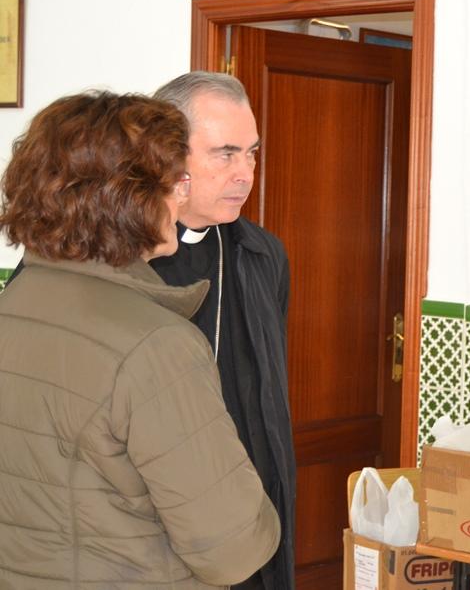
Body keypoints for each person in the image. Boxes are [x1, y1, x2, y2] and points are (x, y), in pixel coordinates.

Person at [0, 92, 280, 587]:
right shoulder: (157, 346)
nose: (180, 194)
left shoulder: (13, 306)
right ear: (125, 199)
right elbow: (231, 549)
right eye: (172, 181)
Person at [149, 71, 296, 590]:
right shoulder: (111, 259)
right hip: (155, 534)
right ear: (165, 155)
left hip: (251, 521)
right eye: (225, 154)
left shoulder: (263, 256)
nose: (246, 174)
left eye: (252, 153)